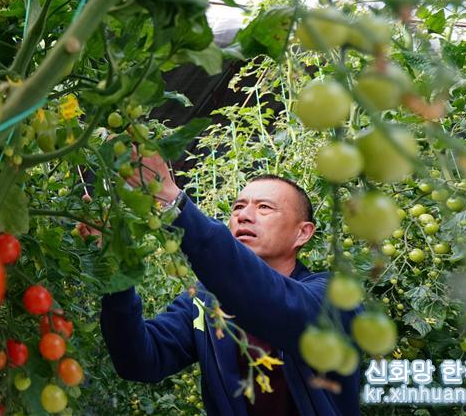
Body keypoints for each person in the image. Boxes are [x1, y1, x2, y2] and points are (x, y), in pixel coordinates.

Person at [98, 151, 361, 415]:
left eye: (264, 207)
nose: (244, 216)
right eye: (238, 207)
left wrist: (173, 203)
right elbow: (141, 361)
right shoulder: (201, 302)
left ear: (302, 233)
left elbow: (271, 302)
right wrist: (118, 274)